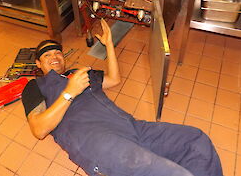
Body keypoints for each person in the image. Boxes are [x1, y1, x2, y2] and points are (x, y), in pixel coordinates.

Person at [21, 18, 223, 176]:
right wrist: (69, 93)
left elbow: (114, 79)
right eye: (47, 55)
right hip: (96, 140)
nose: (55, 57)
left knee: (196, 141)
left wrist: (109, 45)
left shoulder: (79, 72)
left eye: (58, 53)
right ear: (38, 63)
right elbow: (39, 129)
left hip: (131, 126)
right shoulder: (35, 86)